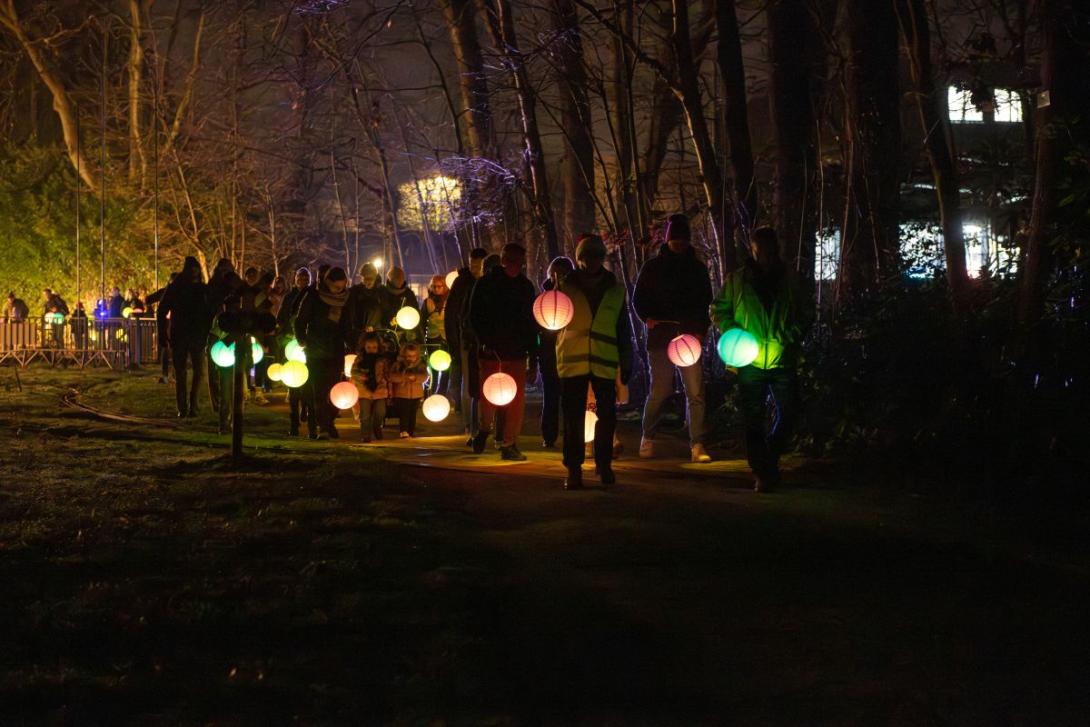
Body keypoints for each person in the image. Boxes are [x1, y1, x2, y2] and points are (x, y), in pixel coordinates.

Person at [711, 226, 807, 492]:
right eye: (760, 251)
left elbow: (806, 312)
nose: (764, 256)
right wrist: (734, 333)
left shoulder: (790, 279)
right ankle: (762, 471)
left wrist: (788, 335)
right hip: (749, 360)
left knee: (789, 413)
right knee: (753, 419)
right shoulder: (738, 280)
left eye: (768, 251)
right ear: (752, 251)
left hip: (782, 357)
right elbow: (718, 309)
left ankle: (768, 461)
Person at [634, 213, 714, 463]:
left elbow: (707, 302)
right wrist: (647, 318)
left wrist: (701, 330)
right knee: (660, 389)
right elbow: (638, 299)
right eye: (675, 240)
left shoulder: (697, 269)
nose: (679, 244)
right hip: (661, 337)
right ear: (667, 240)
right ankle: (648, 436)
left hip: (689, 338)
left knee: (695, 391)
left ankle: (697, 442)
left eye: (682, 240)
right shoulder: (652, 267)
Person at [555, 235, 633, 490]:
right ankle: (574, 468)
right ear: (579, 259)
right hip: (573, 362)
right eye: (586, 257)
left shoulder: (615, 290)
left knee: (607, 416)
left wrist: (626, 360)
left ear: (601, 258)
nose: (591, 262)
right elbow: (551, 323)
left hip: (603, 360)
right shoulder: (563, 288)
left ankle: (604, 463)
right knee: (573, 418)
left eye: (595, 256)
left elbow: (623, 328)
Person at [468, 243, 538, 461]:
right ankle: (486, 430)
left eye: (519, 262)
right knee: (490, 395)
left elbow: (531, 323)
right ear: (504, 260)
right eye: (512, 260)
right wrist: (484, 341)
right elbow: (474, 316)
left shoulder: (524, 287)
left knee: (512, 401)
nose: (515, 265)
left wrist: (533, 358)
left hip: (514, 352)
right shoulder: (488, 284)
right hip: (494, 352)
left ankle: (507, 442)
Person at [295, 266, 352, 439]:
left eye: (342, 286)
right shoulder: (314, 296)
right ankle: (324, 426)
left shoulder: (346, 298)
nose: (339, 289)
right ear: (328, 282)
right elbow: (300, 320)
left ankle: (329, 422)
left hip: (336, 349)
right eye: (336, 286)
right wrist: (302, 339)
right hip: (316, 349)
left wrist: (352, 343)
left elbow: (347, 325)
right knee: (319, 390)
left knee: (335, 388)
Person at [157, 256, 212, 417]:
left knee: (196, 371)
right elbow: (162, 310)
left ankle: (191, 406)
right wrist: (162, 333)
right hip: (183, 334)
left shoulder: (199, 289)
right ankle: (184, 407)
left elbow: (209, 311)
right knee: (184, 372)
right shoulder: (177, 288)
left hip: (193, 334)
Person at [445, 248, 489, 439]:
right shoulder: (462, 282)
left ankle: (484, 421)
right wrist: (453, 341)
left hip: (485, 340)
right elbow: (451, 314)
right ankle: (470, 423)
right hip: (466, 340)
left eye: (478, 265)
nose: (475, 268)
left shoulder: (488, 282)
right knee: (468, 381)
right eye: (472, 264)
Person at [539, 256, 575, 448]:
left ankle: (569, 434)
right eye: (557, 274)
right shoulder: (544, 298)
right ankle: (550, 434)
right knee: (552, 396)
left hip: (570, 353)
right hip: (550, 354)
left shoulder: (575, 297)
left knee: (568, 397)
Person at [278, 267, 312, 437]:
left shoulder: (312, 297)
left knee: (307, 381)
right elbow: (281, 318)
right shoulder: (289, 297)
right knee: (292, 383)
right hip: (291, 345)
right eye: (300, 279)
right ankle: (294, 420)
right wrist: (286, 333)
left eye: (306, 279)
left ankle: (304, 409)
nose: (302, 282)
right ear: (295, 280)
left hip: (306, 345)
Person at [388, 342, 428, 438]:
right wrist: (404, 377)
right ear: (404, 355)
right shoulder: (398, 365)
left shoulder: (420, 366)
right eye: (409, 356)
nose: (411, 358)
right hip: (402, 393)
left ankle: (411, 430)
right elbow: (392, 376)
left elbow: (424, 376)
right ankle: (404, 430)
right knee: (404, 413)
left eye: (413, 356)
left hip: (416, 394)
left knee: (412, 413)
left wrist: (415, 378)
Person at [354, 332, 389, 442]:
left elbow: (387, 373)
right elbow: (354, 372)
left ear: (378, 347)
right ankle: (365, 435)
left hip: (379, 390)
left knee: (380, 412)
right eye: (368, 347)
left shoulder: (382, 360)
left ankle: (377, 427)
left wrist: (385, 380)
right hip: (364, 390)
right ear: (364, 347)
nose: (371, 350)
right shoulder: (360, 359)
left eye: (374, 347)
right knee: (365, 415)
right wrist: (362, 377)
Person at [421, 274, 449, 395]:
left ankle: (442, 392)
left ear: (444, 287)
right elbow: (422, 322)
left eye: (439, 286)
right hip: (432, 338)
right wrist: (422, 339)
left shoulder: (449, 301)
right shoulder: (427, 302)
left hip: (446, 339)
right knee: (433, 367)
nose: (437, 289)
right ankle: (432, 392)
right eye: (434, 286)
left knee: (446, 367)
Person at [147, 273, 178, 383]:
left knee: (170, 349)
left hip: (172, 323)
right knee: (169, 349)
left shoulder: (167, 291)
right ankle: (169, 375)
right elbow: (148, 300)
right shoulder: (167, 292)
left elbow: (148, 300)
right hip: (170, 323)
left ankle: (170, 375)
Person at [346, 262, 386, 344]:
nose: (368, 281)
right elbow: (351, 312)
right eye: (365, 278)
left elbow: (386, 310)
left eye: (370, 278)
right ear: (362, 278)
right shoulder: (355, 292)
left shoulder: (381, 291)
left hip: (377, 332)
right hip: (359, 333)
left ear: (375, 277)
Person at [384, 267, 420, 340]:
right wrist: (390, 321)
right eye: (396, 279)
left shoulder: (409, 294)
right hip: (388, 332)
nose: (400, 281)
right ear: (391, 279)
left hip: (406, 331)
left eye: (401, 278)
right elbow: (382, 311)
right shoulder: (383, 292)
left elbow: (415, 310)